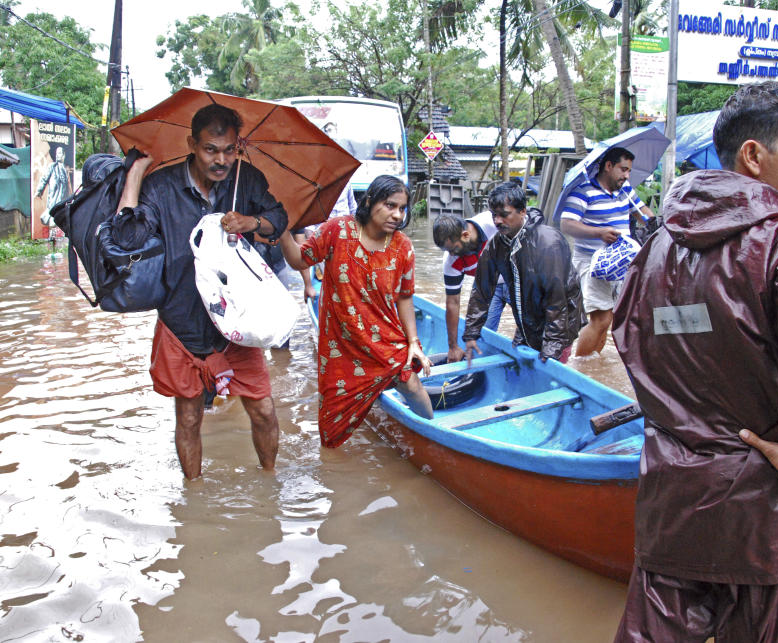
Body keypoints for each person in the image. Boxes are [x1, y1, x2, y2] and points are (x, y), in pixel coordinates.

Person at [611, 81, 778, 641]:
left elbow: (629, 338)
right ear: (754, 156)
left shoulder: (659, 243)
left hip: (673, 499)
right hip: (764, 517)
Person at [113, 104, 286, 479]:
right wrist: (137, 174)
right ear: (192, 144)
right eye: (210, 149)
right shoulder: (161, 187)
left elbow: (279, 219)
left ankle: (269, 481)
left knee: (263, 409)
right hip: (182, 322)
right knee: (189, 417)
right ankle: (193, 492)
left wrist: (251, 221)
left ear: (237, 146)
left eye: (228, 149)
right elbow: (126, 237)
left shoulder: (247, 180)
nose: (220, 159)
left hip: (238, 324)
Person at [279, 175, 433, 448]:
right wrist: (282, 228)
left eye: (402, 208)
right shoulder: (336, 230)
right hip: (342, 347)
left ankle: (432, 437)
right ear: (370, 201)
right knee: (331, 434)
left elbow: (405, 297)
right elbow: (298, 259)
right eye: (390, 205)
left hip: (385, 341)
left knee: (411, 384)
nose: (397, 214)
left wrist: (413, 343)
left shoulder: (403, 247)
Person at [462, 182, 580, 364]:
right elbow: (481, 291)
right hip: (528, 320)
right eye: (494, 215)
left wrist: (552, 348)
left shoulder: (548, 243)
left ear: (523, 211)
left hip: (561, 325)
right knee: (524, 363)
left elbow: (557, 301)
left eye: (504, 215)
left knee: (550, 369)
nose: (497, 221)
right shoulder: (497, 244)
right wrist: (471, 333)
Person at [559, 146, 655, 357]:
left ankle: (594, 363)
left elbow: (643, 213)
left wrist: (654, 222)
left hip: (621, 262)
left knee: (614, 318)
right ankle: (581, 367)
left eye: (629, 170)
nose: (626, 175)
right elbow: (566, 224)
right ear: (608, 166)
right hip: (592, 262)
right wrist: (599, 233)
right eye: (623, 169)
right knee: (601, 318)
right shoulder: (583, 192)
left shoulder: (625, 190)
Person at [432, 211, 508, 362]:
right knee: (482, 335)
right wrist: (452, 346)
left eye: (454, 249)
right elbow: (453, 302)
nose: (451, 254)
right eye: (447, 250)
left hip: (516, 279)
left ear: (465, 235)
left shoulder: (493, 223)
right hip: (489, 286)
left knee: (530, 330)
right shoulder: (451, 262)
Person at [36, 146, 70, 226]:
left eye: (59, 153)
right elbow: (44, 178)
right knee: (50, 221)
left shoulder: (65, 170)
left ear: (63, 155)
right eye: (56, 153)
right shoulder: (52, 166)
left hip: (61, 204)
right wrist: (39, 190)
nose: (57, 155)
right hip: (52, 202)